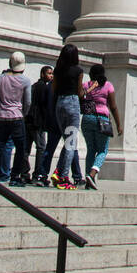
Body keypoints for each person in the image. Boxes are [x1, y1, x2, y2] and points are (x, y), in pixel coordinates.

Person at [0, 51, 32, 185]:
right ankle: (14, 177)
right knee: (20, 148)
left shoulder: (1, 78)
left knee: (0, 143)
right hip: (17, 116)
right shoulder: (25, 80)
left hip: (1, 116)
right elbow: (28, 101)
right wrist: (23, 113)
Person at [81, 62, 122, 190]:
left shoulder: (86, 85)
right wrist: (118, 124)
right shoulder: (108, 86)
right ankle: (92, 173)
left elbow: (81, 96)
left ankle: (88, 178)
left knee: (91, 149)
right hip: (102, 119)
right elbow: (113, 106)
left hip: (87, 118)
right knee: (103, 150)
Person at [50, 45, 84, 190]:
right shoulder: (78, 71)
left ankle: (58, 171)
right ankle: (63, 177)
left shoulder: (57, 70)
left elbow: (54, 89)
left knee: (67, 140)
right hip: (72, 103)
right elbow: (80, 92)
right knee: (71, 142)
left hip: (60, 104)